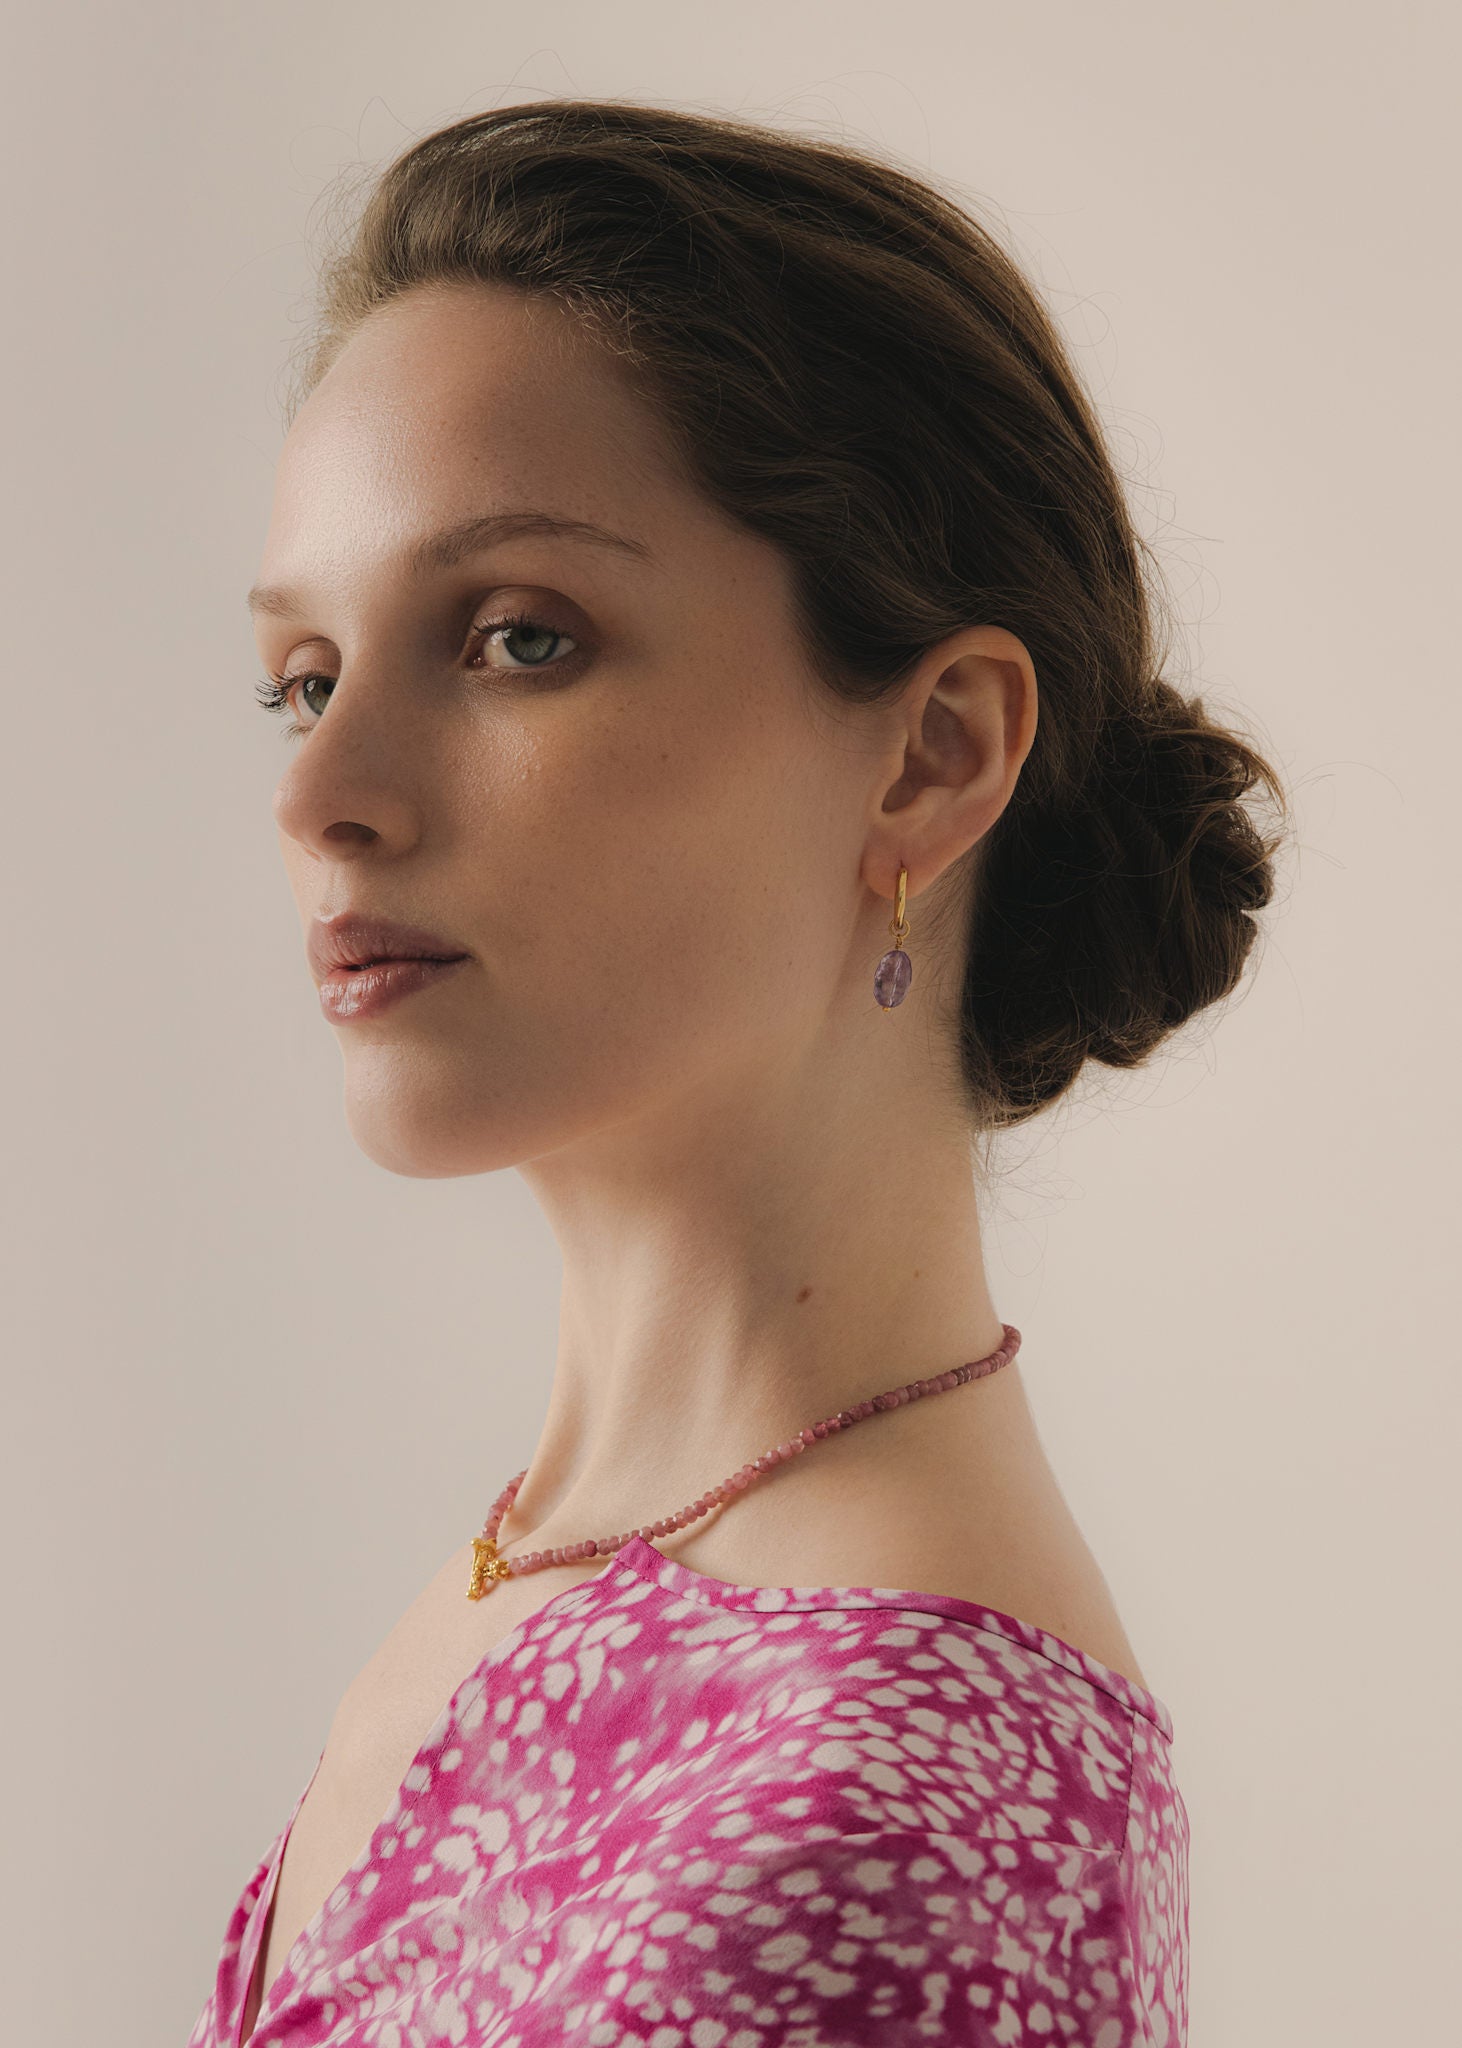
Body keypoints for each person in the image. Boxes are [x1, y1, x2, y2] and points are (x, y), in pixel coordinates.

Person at [190, 96, 1288, 2048]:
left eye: (519, 638)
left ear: (930, 753)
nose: (321, 795)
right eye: (303, 676)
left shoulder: (886, 1798)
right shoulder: (548, 1558)